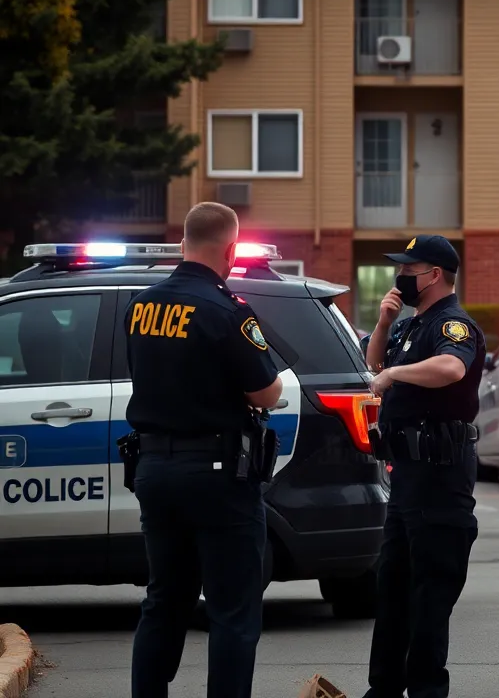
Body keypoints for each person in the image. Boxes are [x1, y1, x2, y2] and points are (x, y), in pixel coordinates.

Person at [126, 201, 284, 698]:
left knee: (164, 600)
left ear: (182, 244)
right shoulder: (227, 310)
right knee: (233, 609)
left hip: (154, 468)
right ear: (231, 250)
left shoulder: (141, 305)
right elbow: (266, 393)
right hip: (217, 475)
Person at [362, 234, 486, 698]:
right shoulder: (411, 324)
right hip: (408, 478)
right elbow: (374, 363)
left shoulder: (452, 324)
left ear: (434, 275)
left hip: (439, 475)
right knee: (392, 587)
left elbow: (451, 369)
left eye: (408, 270)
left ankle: (426, 691)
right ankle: (384, 689)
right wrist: (383, 324)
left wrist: (395, 374)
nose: (400, 277)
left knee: (430, 595)